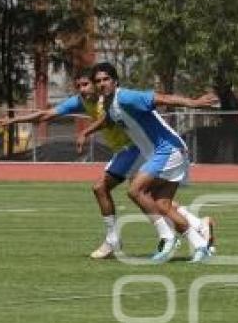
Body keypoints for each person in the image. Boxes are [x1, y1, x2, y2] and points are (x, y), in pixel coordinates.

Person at [0, 69, 190, 259]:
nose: (83, 89)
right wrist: (14, 120)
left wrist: (85, 132)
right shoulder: (80, 102)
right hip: (126, 151)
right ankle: (197, 227)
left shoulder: (113, 100)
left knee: (113, 189)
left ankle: (143, 238)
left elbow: (114, 117)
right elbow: (46, 114)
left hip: (135, 149)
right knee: (152, 198)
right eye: (78, 85)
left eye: (87, 84)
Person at [79, 62, 217, 262]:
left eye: (106, 79)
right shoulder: (109, 104)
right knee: (163, 206)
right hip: (165, 152)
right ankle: (200, 245)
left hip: (168, 149)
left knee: (135, 190)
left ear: (115, 81)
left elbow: (162, 98)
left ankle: (167, 237)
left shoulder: (126, 97)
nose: (102, 84)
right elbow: (109, 119)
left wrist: (194, 103)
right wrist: (86, 131)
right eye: (98, 81)